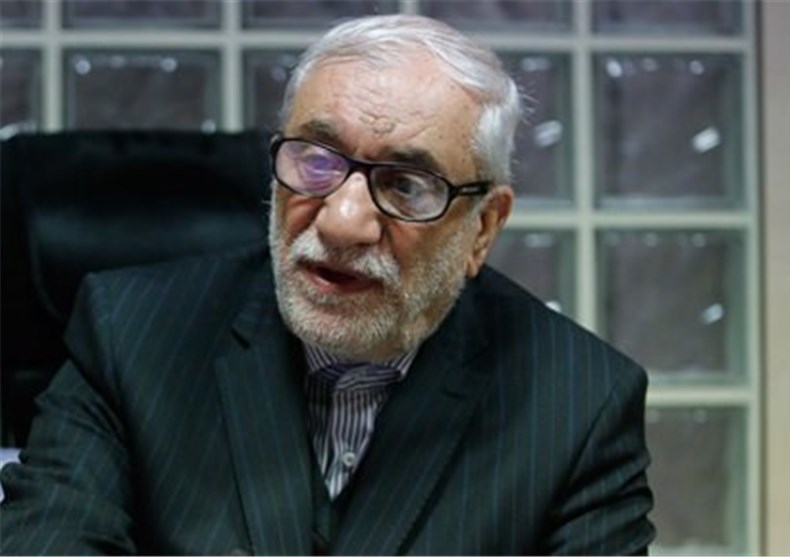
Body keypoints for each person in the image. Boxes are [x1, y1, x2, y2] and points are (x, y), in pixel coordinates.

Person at [0, 14, 654, 555]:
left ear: (483, 227)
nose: (342, 221)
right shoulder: (130, 334)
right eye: (316, 160)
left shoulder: (579, 404)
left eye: (406, 184)